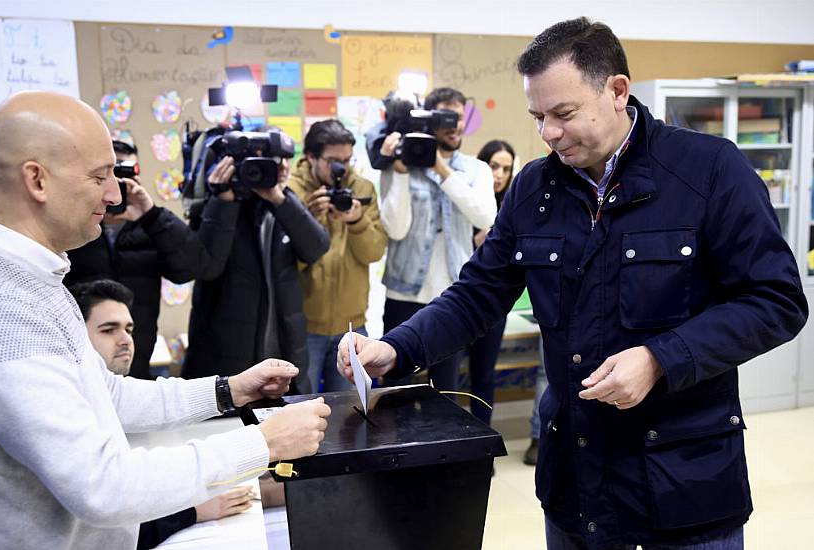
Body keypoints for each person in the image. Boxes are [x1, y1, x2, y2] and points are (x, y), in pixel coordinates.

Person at [338, 18, 808, 549]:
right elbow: (477, 295)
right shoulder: (534, 189)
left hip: (683, 486)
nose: (548, 133)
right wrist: (396, 348)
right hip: (576, 485)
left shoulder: (708, 170)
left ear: (617, 92)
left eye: (563, 114)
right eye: (537, 116)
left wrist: (660, 358)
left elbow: (776, 301)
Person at [0, 90, 331, 550]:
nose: (114, 195)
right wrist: (263, 444)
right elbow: (103, 484)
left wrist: (226, 391)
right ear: (37, 180)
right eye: (99, 177)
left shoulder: (36, 279)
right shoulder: (5, 308)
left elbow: (105, 395)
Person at [69, 279, 258, 549]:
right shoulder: (70, 409)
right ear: (74, 336)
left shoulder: (107, 397)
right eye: (108, 330)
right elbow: (102, 513)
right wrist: (191, 510)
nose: (125, 340)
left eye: (129, 329)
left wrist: (231, 390)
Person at [181, 127, 330, 393]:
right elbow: (207, 266)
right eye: (268, 160)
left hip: (281, 353)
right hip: (225, 361)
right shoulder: (215, 204)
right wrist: (223, 200)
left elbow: (316, 248)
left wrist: (278, 198)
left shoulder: (283, 203)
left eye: (280, 160)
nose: (280, 167)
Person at [378, 87, 496, 394]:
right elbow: (395, 228)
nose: (454, 124)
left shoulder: (475, 169)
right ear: (427, 120)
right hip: (404, 292)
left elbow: (485, 218)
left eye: (458, 117)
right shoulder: (403, 163)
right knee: (394, 390)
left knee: (446, 392)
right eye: (445, 116)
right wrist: (401, 173)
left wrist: (441, 170)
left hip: (452, 295)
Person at [64, 140, 211, 379]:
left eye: (125, 172)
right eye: (106, 174)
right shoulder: (74, 226)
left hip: (136, 355)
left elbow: (193, 268)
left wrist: (151, 215)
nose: (117, 185)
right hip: (77, 359)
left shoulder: (152, 225)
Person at [288, 119, 387, 393]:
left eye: (347, 160)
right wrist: (309, 222)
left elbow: (374, 252)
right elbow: (283, 264)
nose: (341, 169)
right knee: (302, 408)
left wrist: (356, 222)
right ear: (310, 157)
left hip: (352, 326)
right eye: (333, 161)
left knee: (348, 416)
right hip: (304, 327)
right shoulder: (291, 192)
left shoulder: (363, 189)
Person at [467, 139, 516, 425]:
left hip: (494, 306)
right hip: (459, 300)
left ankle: (483, 445)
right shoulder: (469, 203)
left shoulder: (511, 207)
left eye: (506, 169)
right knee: (447, 379)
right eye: (493, 166)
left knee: (484, 376)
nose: (499, 174)